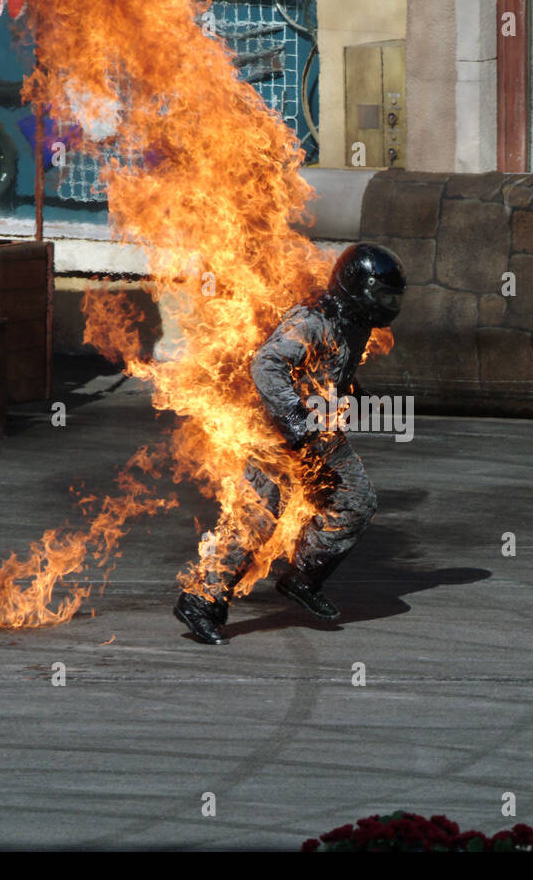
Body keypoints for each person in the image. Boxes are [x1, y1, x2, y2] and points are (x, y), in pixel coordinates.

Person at [173, 243, 406, 644]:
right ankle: (200, 600)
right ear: (356, 287)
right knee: (257, 520)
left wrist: (354, 393)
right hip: (276, 432)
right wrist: (295, 421)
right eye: (382, 295)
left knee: (356, 502)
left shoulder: (358, 319)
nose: (388, 304)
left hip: (318, 431)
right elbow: (266, 365)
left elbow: (331, 366)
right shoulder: (313, 318)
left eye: (392, 297)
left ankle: (302, 576)